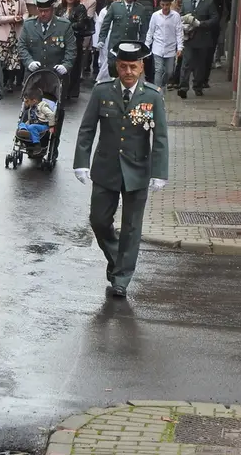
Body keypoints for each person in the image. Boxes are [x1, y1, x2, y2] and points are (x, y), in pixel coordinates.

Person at [73, 41, 168, 298]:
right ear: (117, 66)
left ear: (141, 67)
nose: (128, 72)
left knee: (131, 227)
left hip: (138, 169)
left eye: (133, 67)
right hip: (106, 168)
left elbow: (160, 137)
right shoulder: (102, 92)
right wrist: (81, 161)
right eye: (124, 66)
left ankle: (122, 279)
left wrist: (160, 172)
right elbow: (87, 129)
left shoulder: (152, 95)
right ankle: (117, 259)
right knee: (99, 220)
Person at [17, 0, 77, 103]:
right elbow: (22, 46)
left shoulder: (64, 25)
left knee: (55, 112)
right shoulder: (29, 25)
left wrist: (66, 65)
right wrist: (29, 62)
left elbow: (71, 49)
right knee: (29, 111)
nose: (43, 14)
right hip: (33, 76)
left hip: (55, 77)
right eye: (40, 11)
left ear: (52, 9)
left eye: (46, 11)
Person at [177, 0, 220, 98]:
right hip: (189, 38)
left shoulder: (209, 2)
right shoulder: (186, 2)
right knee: (186, 63)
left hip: (202, 38)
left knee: (200, 65)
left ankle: (198, 86)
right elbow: (180, 17)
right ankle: (183, 87)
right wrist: (184, 23)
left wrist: (201, 24)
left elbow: (215, 19)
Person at [98, 0, 150, 78]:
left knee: (127, 68)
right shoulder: (115, 6)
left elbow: (144, 29)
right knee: (113, 66)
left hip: (131, 44)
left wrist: (142, 43)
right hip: (115, 43)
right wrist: (101, 39)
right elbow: (106, 24)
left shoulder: (140, 9)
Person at [56, 0, 92, 98]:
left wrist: (66, 25)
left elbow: (81, 24)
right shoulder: (60, 7)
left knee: (74, 65)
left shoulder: (80, 8)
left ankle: (71, 90)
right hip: (60, 39)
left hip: (75, 39)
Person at [144, 0, 184, 88]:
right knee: (158, 70)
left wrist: (180, 47)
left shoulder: (176, 16)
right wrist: (146, 46)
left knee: (170, 71)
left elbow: (179, 32)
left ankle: (162, 84)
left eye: (167, 5)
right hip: (158, 47)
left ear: (170, 4)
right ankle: (157, 90)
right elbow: (150, 31)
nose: (165, 7)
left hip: (170, 48)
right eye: (163, 5)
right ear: (160, 4)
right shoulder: (155, 15)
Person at [93, 0, 121, 81]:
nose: (117, 0)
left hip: (116, 36)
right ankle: (102, 79)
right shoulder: (104, 11)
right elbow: (100, 26)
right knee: (104, 58)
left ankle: (107, 78)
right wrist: (98, 40)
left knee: (111, 58)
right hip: (106, 36)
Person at [78, 0, 98, 75]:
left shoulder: (92, 1)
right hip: (70, 27)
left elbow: (89, 16)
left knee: (84, 50)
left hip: (84, 28)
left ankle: (80, 71)